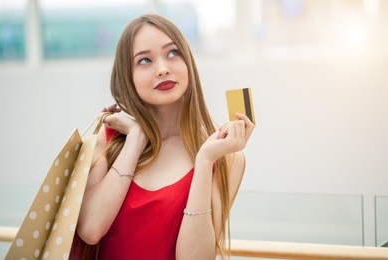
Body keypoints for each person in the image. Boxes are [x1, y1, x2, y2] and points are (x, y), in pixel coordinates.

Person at [71, 14, 255, 260]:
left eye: (172, 53)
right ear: (128, 76)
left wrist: (204, 161)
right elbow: (91, 230)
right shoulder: (108, 141)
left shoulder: (225, 159)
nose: (163, 69)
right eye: (145, 60)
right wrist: (136, 139)